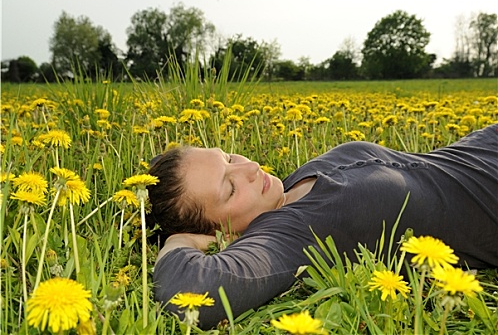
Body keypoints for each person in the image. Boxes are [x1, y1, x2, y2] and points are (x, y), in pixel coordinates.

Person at [146, 124, 498, 329]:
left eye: (229, 158)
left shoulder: (291, 185)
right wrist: (181, 239)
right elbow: (188, 291)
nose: (250, 167)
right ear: (221, 233)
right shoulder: (288, 234)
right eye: (230, 187)